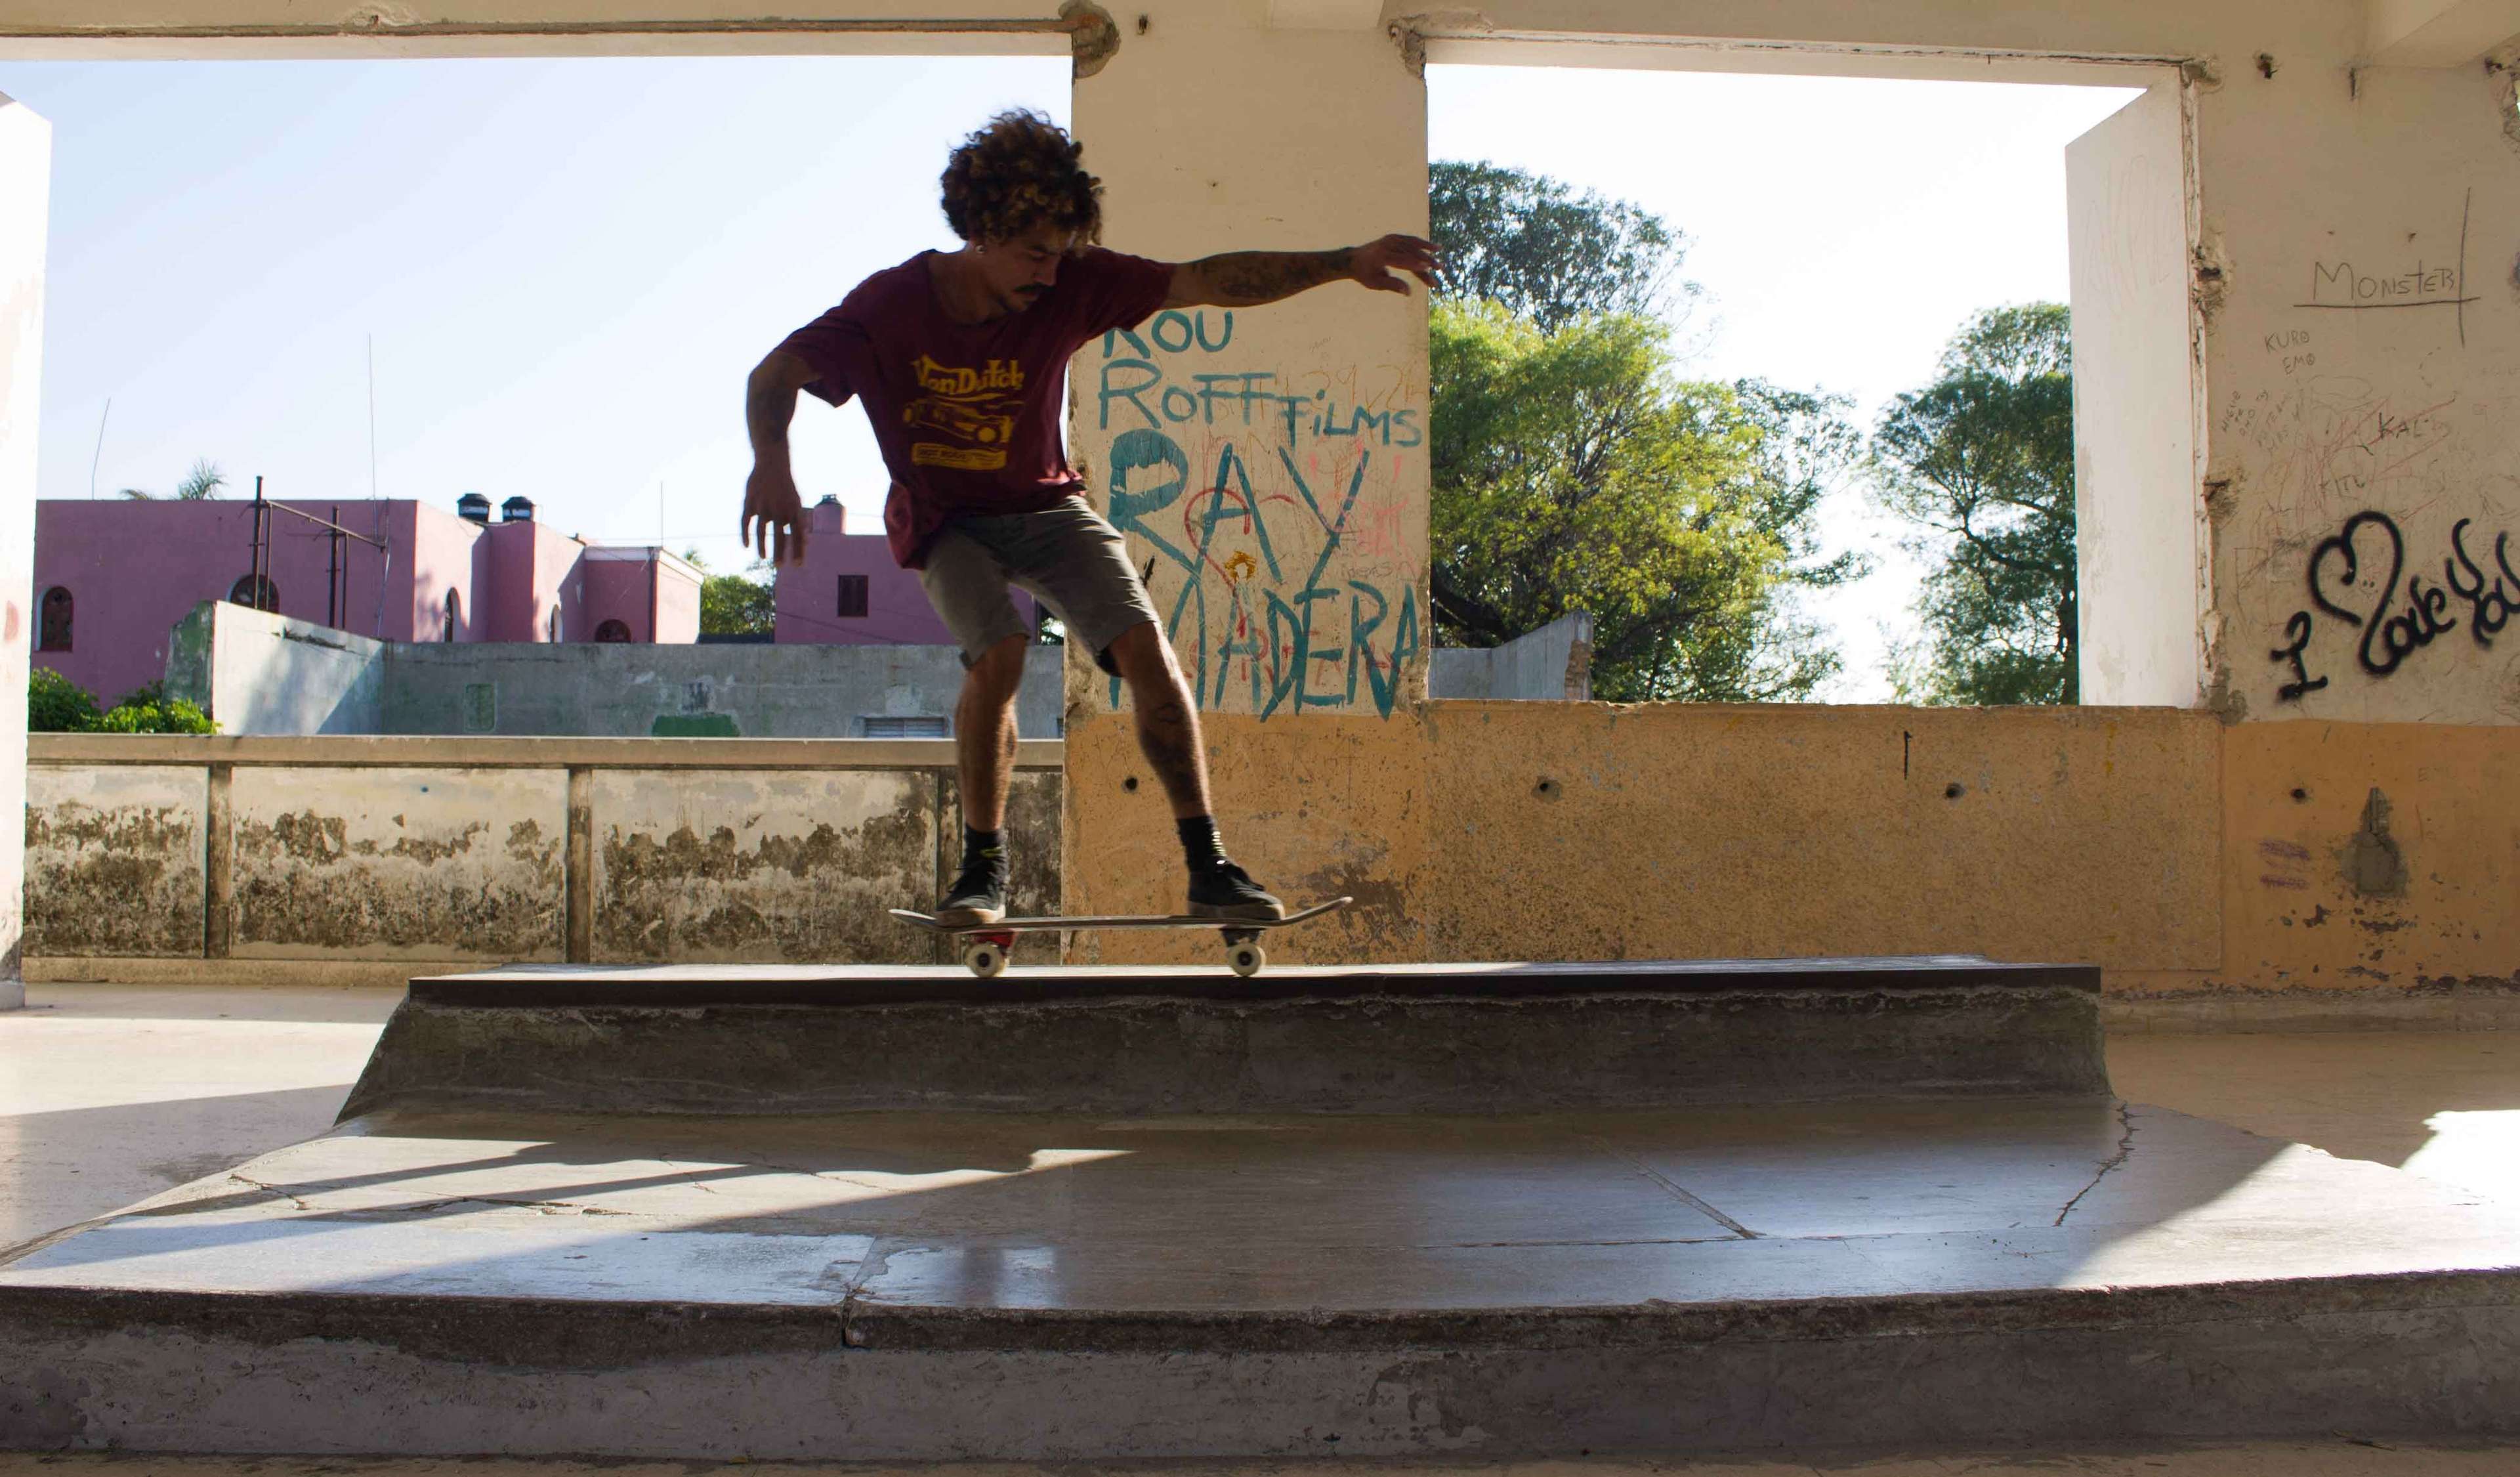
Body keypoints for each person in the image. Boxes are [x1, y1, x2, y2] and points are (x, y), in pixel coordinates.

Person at [741, 108, 1436, 928]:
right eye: (1034, 252)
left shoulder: (1075, 281)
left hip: (1047, 505)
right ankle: (983, 873)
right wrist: (773, 466)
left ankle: (1208, 866)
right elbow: (776, 370)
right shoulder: (893, 303)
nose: (1050, 271)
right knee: (1000, 653)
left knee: (1149, 654)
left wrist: (1343, 263)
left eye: (1062, 251)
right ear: (981, 232)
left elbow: (1206, 279)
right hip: (946, 519)